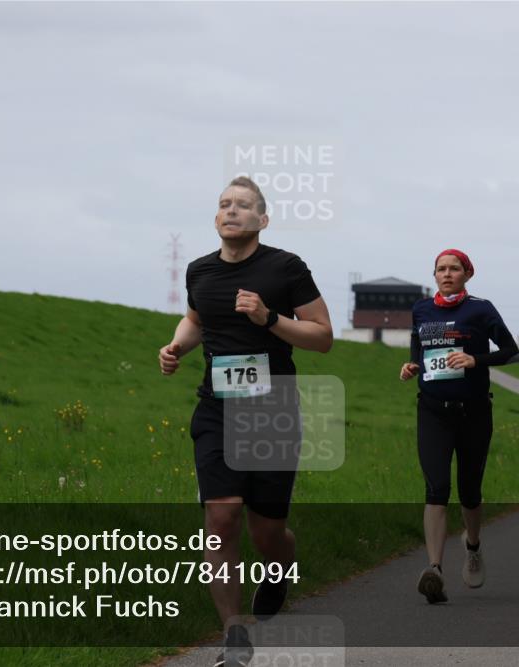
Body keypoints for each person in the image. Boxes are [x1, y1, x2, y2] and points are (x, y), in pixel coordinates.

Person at [158, 176, 333, 667]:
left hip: (272, 411)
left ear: (262, 219)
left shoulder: (285, 268)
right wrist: (177, 347)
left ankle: (279, 568)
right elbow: (195, 320)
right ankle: (234, 634)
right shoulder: (200, 271)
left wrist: (269, 319)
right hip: (216, 408)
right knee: (221, 516)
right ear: (216, 218)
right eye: (223, 204)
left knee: (267, 534)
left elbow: (322, 336)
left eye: (242, 206)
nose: (230, 211)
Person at [399, 249, 519, 604]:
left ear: (468, 273)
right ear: (433, 275)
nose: (447, 274)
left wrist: (475, 358)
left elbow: (512, 352)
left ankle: (473, 546)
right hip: (433, 411)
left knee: (469, 491)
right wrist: (411, 367)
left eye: (454, 269)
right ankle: (434, 569)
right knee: (436, 487)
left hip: (474, 412)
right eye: (441, 269)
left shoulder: (480, 309)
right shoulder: (422, 309)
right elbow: (418, 350)